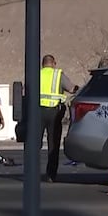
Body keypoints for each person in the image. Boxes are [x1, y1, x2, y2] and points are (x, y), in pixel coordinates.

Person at [38, 54, 79, 182]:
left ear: (42, 64)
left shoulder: (36, 74)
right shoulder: (58, 75)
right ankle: (51, 174)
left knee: (34, 144)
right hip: (54, 114)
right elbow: (72, 88)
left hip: (37, 113)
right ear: (54, 63)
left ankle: (32, 172)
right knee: (53, 145)